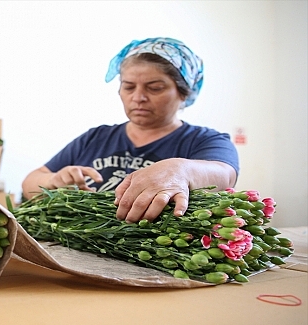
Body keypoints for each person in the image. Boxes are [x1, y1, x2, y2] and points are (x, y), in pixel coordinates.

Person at [21, 37, 239, 223]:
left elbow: (225, 174)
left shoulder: (205, 140)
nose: (138, 98)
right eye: (128, 87)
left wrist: (181, 170)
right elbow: (29, 183)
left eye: (155, 88)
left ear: (183, 93)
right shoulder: (96, 137)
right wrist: (52, 182)